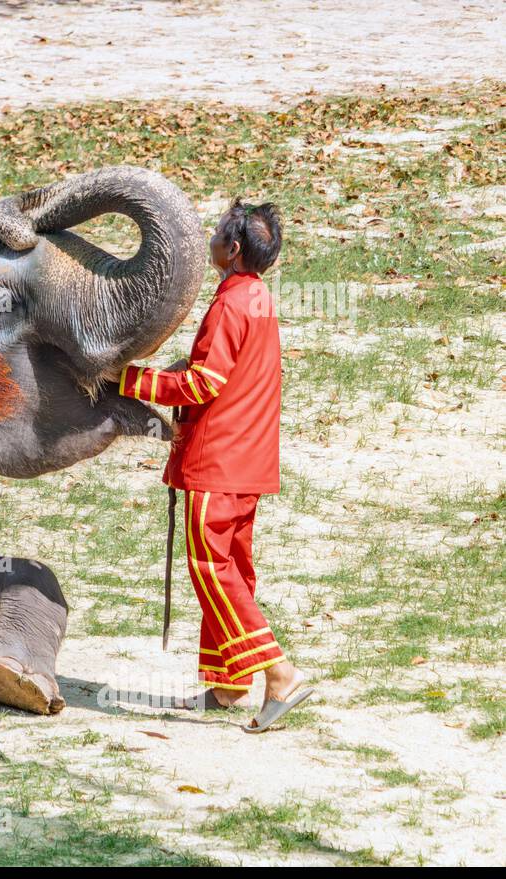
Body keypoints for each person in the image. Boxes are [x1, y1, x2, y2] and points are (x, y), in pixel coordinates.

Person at [116, 199, 312, 733]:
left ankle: (279, 674)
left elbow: (203, 384)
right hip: (247, 461)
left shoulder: (230, 305)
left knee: (213, 570)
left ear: (233, 250)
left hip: (218, 461)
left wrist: (127, 380)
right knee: (235, 571)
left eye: (220, 232)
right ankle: (229, 684)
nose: (213, 237)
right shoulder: (257, 298)